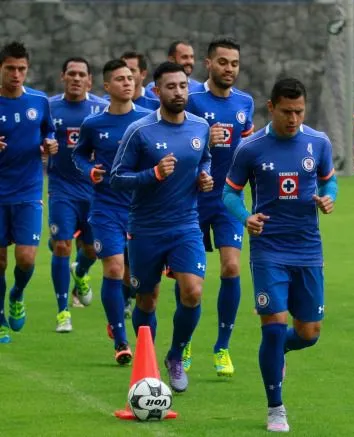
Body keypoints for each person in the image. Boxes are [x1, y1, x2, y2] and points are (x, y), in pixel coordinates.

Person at [223, 77, 337, 433]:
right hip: (269, 248)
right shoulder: (251, 148)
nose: (294, 118)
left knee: (309, 333)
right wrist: (246, 217)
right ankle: (275, 407)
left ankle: (279, 354)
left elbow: (328, 180)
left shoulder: (318, 142)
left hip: (307, 249)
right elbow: (229, 195)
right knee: (272, 328)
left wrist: (328, 196)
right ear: (271, 108)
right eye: (287, 112)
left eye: (300, 111)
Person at [110, 61, 213, 392]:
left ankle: (175, 356)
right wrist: (152, 174)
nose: (179, 91)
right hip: (146, 228)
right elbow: (117, 178)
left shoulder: (199, 127)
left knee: (193, 291)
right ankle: (147, 361)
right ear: (156, 91)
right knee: (147, 300)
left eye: (183, 85)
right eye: (171, 86)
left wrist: (204, 175)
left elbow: (205, 159)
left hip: (185, 225)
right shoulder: (139, 131)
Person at [72, 59, 152, 363]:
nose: (127, 83)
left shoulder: (148, 120)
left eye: (130, 78)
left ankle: (122, 313)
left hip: (141, 209)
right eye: (120, 79)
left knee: (135, 278)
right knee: (114, 268)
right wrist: (88, 170)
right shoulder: (94, 124)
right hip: (106, 207)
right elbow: (78, 155)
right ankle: (120, 340)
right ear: (107, 87)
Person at [185, 37, 255, 377]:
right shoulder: (192, 100)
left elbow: (249, 154)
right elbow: (178, 145)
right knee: (189, 279)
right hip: (191, 201)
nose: (229, 69)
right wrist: (199, 143)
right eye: (223, 62)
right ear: (208, 64)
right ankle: (183, 343)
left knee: (231, 268)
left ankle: (222, 347)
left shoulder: (245, 103)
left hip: (229, 199)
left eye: (234, 63)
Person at [0, 41, 58, 343]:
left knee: (25, 258)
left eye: (22, 69)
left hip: (28, 190)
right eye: (10, 68)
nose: (16, 74)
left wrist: (51, 143)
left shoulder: (39, 101)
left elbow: (49, 131)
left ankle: (17, 294)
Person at [47, 57, 108, 332]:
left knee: (92, 251)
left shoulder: (101, 109)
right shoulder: (49, 108)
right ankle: (63, 312)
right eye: (70, 73)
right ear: (62, 77)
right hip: (61, 189)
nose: (75, 78)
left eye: (81, 74)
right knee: (61, 245)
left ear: (89, 80)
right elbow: (39, 138)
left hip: (94, 191)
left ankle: (80, 273)